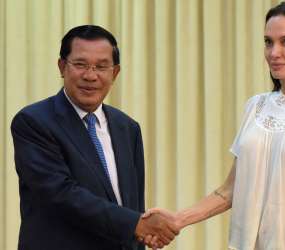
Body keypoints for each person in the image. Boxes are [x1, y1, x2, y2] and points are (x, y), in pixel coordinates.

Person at [142, 1, 285, 250]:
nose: (274, 52)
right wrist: (178, 219)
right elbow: (230, 190)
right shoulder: (256, 107)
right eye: (268, 42)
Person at [11, 25, 178, 250]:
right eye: (80, 65)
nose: (90, 76)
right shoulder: (34, 121)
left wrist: (141, 231)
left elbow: (134, 204)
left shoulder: (127, 128)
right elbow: (61, 194)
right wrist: (136, 225)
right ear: (62, 67)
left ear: (115, 73)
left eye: (101, 67)